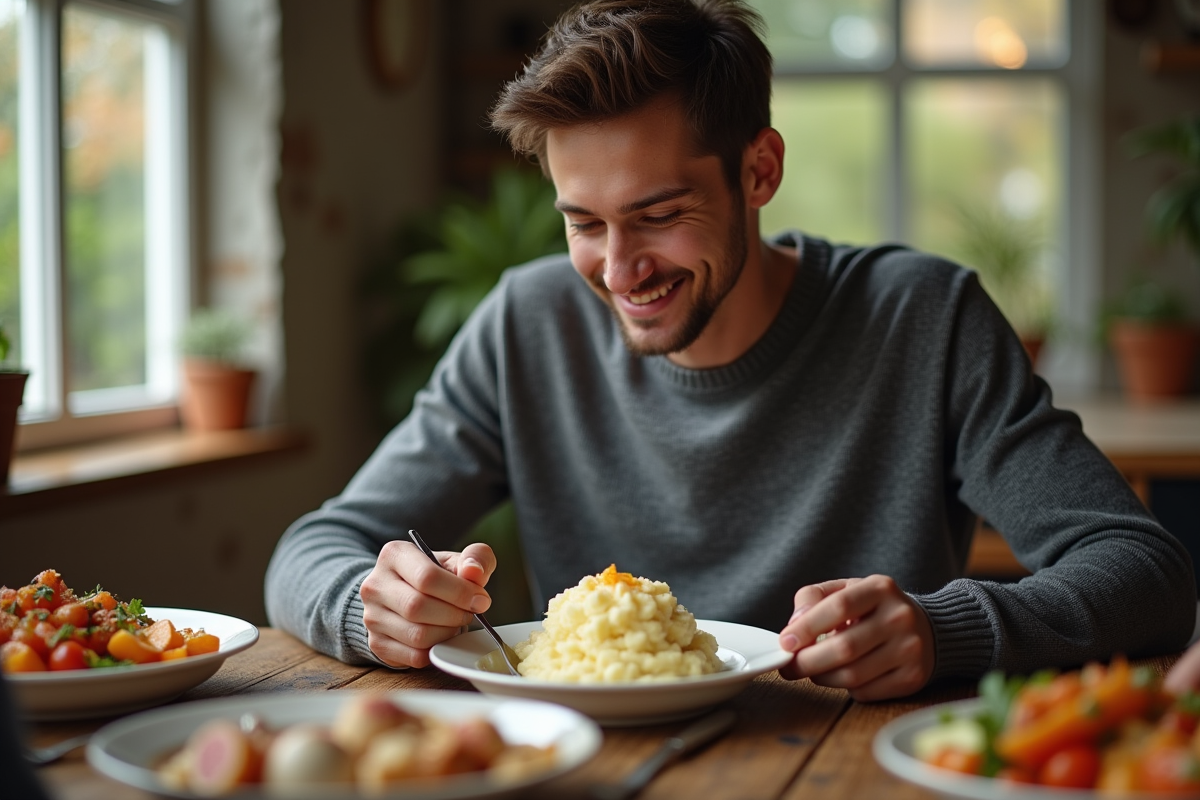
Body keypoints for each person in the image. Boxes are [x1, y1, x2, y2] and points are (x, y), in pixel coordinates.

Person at [265, 0, 1196, 702]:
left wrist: (946, 627)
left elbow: (1142, 570)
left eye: (659, 216)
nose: (620, 268)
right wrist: (369, 604)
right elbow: (313, 548)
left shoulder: (922, 317)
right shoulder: (527, 323)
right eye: (583, 223)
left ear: (760, 171)